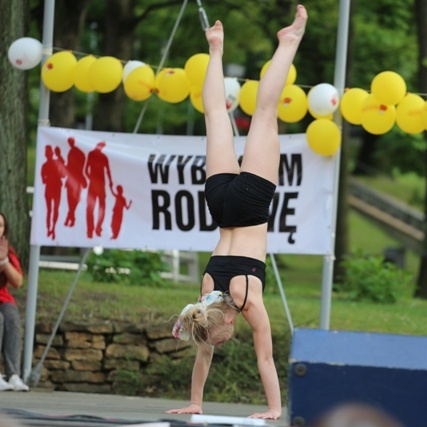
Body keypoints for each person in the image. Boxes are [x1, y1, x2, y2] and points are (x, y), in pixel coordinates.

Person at [164, 5, 307, 420]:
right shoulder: (205, 298)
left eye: (224, 338)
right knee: (215, 118)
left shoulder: (244, 299)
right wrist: (195, 402)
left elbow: (266, 358)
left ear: (223, 323)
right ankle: (215, 50)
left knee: (264, 114)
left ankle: (290, 41)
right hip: (220, 204)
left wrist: (274, 409)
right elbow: (202, 356)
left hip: (248, 204)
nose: (225, 341)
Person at [0, 212, 29, 391]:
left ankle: (13, 375)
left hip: (3, 299)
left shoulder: (6, 250)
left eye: (1, 226)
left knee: (11, 316)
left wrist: (4, 261)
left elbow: (17, 282)